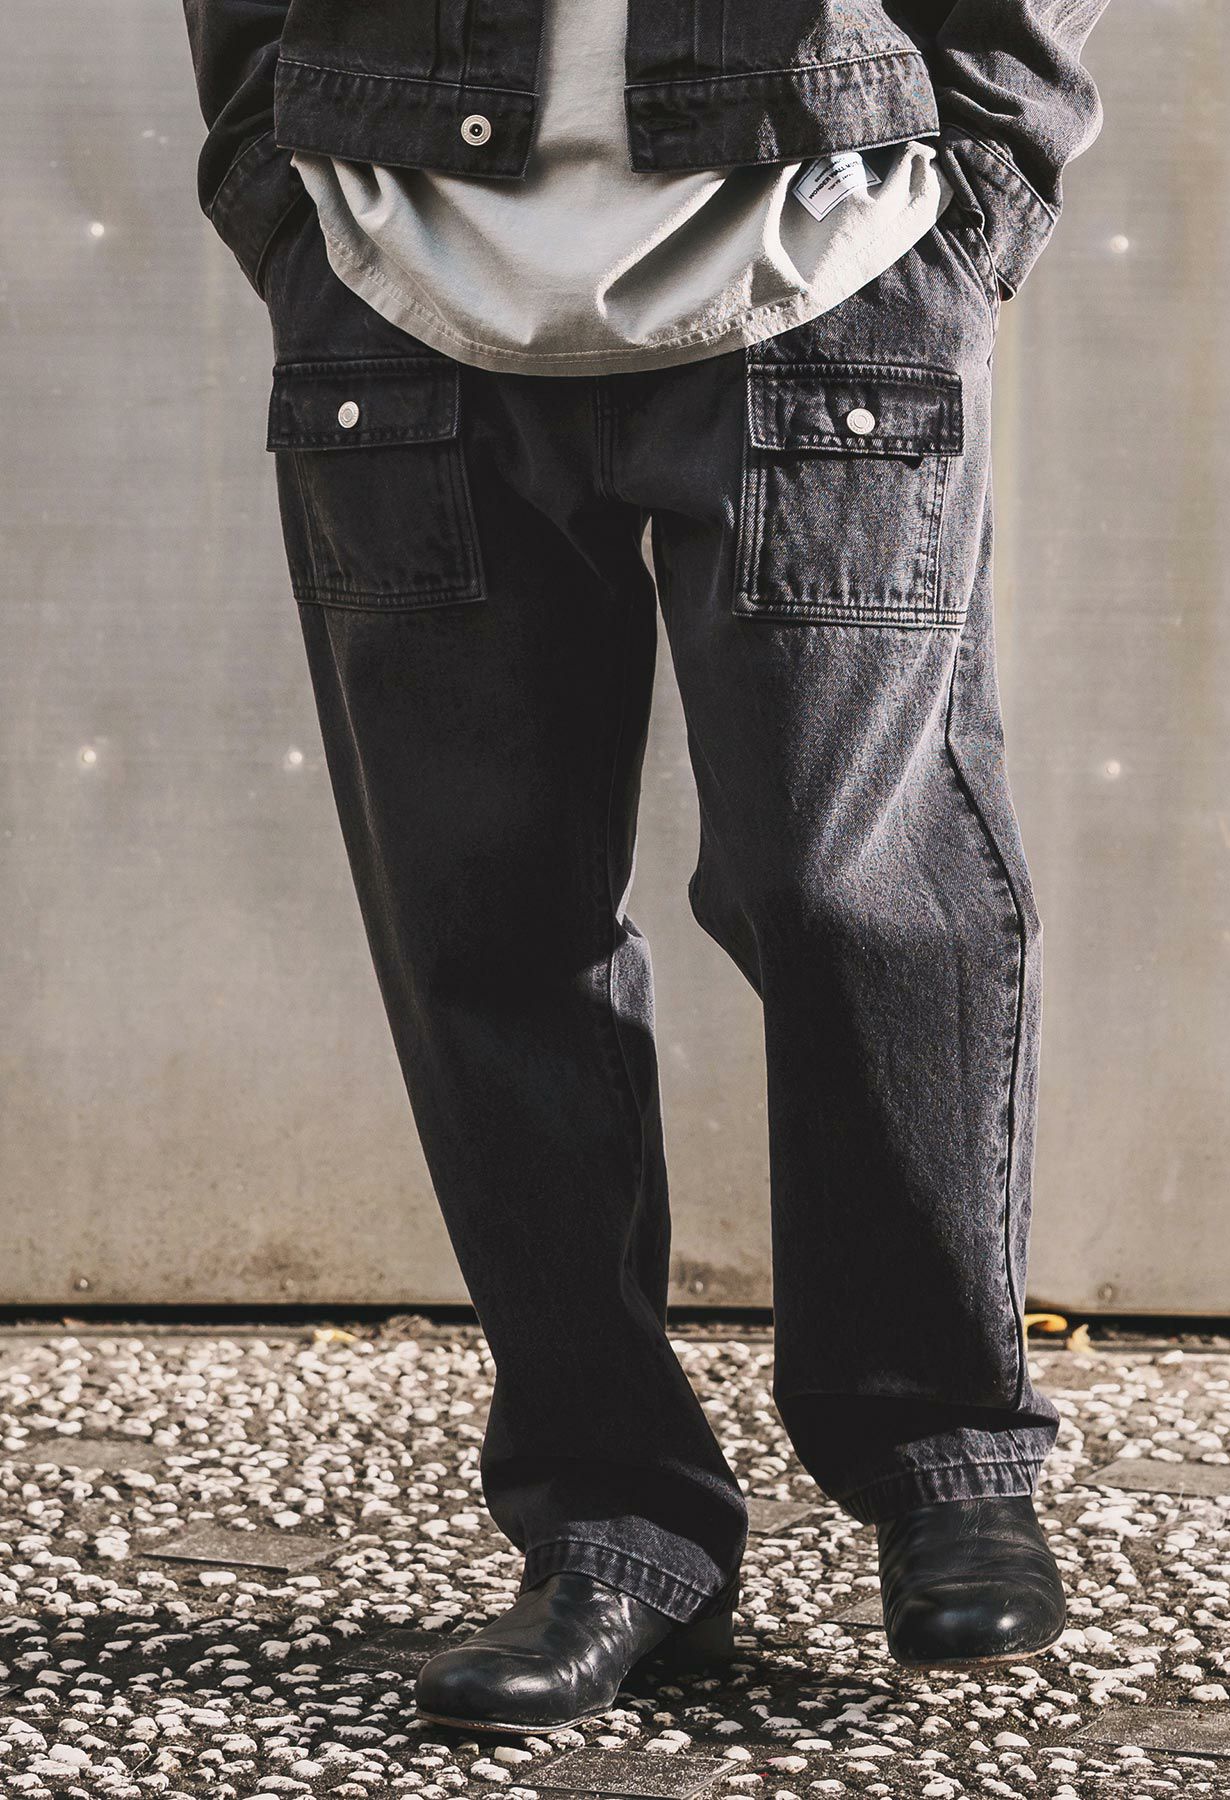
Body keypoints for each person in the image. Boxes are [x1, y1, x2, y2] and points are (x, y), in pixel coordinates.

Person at [182, 0, 1111, 1734]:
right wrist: (273, 189)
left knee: (850, 887)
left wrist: (987, 177)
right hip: (397, 273)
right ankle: (612, 1529)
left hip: (820, 249)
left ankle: (943, 1458)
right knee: (483, 927)